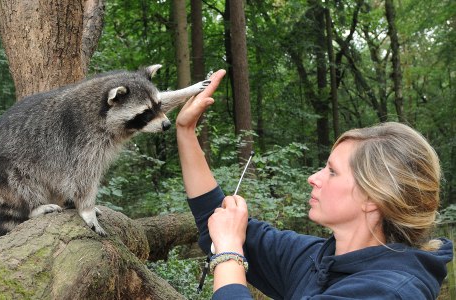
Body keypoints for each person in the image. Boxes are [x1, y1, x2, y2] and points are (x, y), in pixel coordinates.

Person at [176, 69, 453, 299]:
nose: (314, 178)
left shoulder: (390, 291)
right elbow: (214, 220)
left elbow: (226, 243)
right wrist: (186, 133)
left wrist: (228, 254)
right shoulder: (318, 259)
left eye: (332, 171)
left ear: (374, 198)